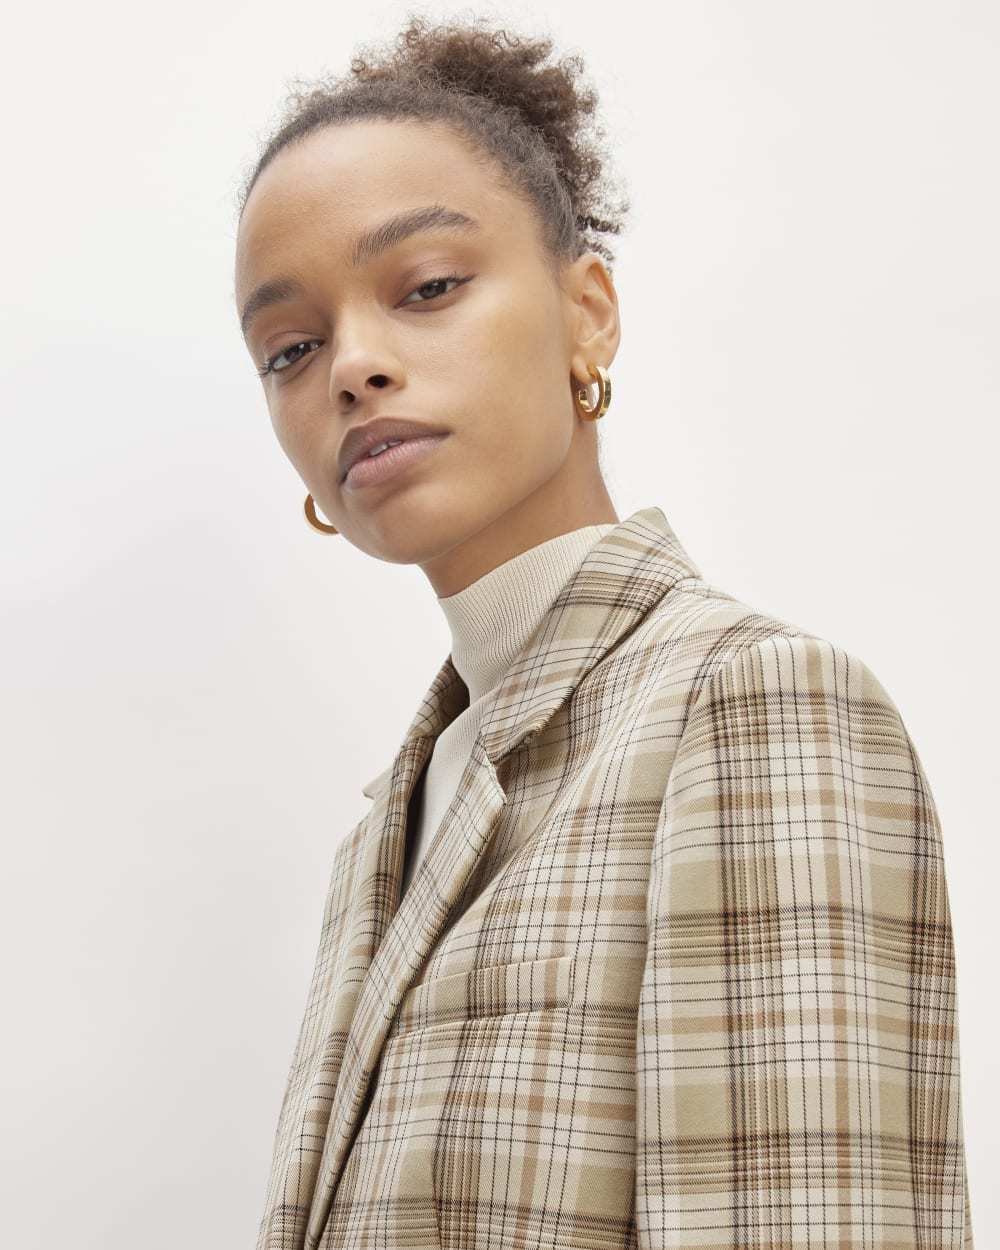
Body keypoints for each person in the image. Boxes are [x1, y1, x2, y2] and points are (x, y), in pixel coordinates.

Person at [233, 14, 974, 1249]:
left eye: (427, 287)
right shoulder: (382, 836)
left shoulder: (751, 706)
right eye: (290, 348)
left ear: (587, 312)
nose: (351, 367)